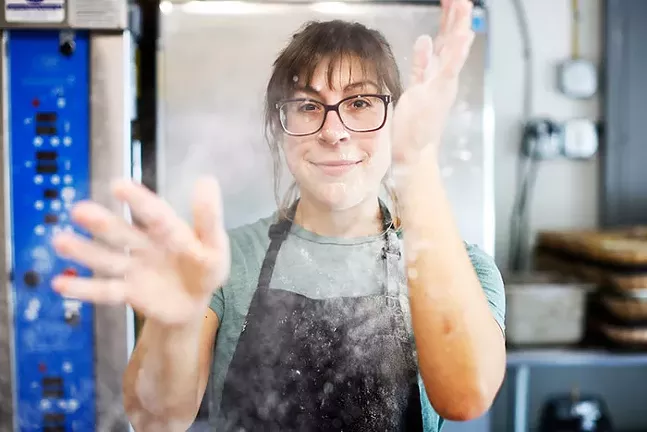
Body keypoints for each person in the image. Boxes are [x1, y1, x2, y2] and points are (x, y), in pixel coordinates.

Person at [51, 0, 506, 430]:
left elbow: (466, 397)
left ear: (394, 118)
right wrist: (175, 323)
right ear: (279, 127)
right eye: (308, 106)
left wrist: (415, 160)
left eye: (361, 103)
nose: (334, 131)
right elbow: (156, 421)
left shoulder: (460, 269)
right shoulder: (221, 264)